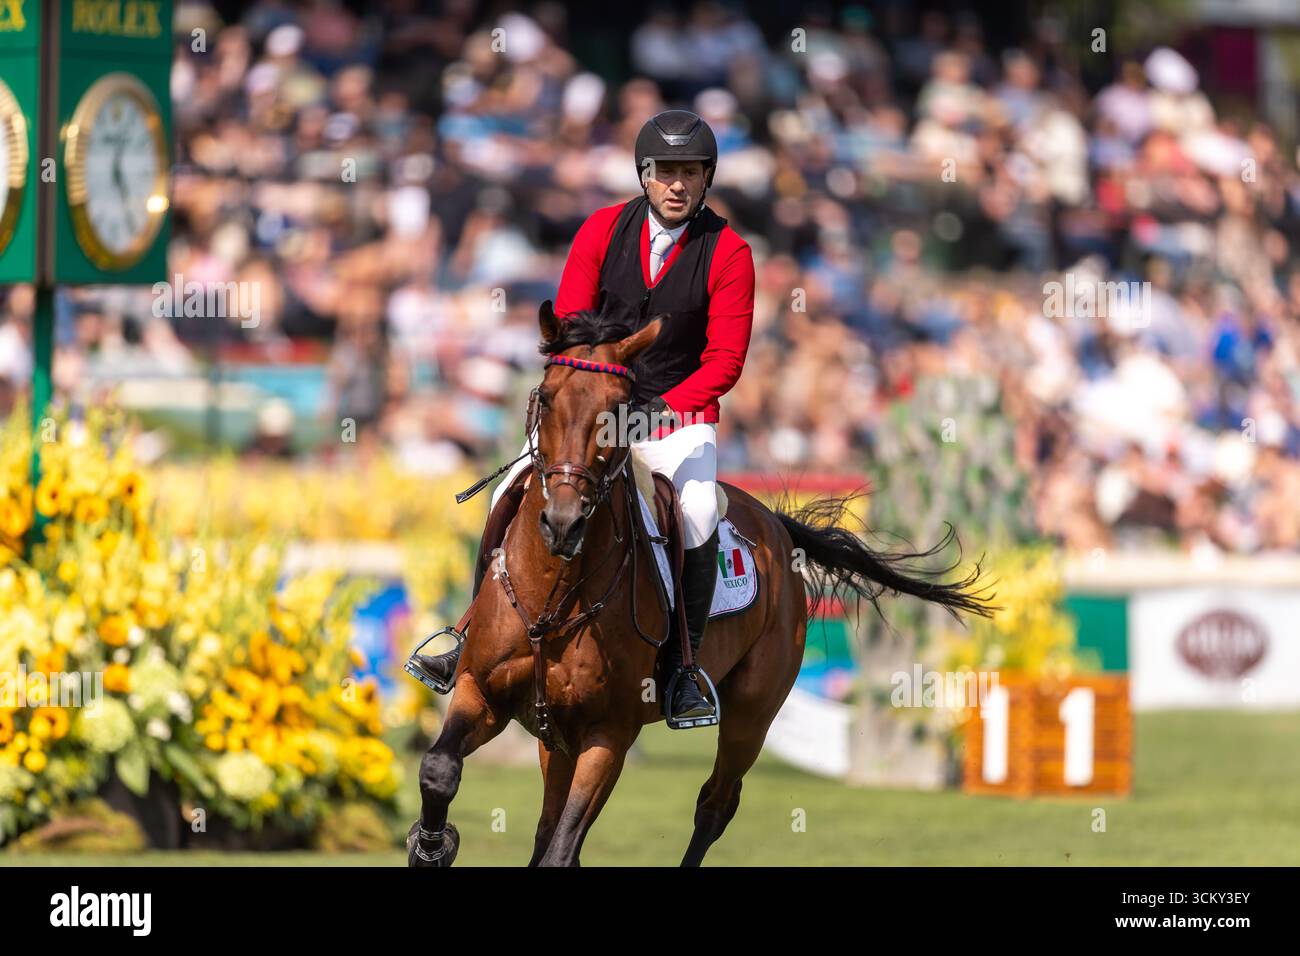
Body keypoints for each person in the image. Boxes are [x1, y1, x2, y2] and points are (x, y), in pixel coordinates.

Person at [409, 109, 755, 726]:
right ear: (645, 175)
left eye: (691, 173)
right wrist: (596, 400)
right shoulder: (600, 229)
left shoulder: (728, 253)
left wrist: (657, 412)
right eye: (667, 172)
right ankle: (468, 637)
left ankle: (683, 669)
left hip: (677, 417)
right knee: (508, 496)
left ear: (706, 179)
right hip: (591, 410)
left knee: (699, 512)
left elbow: (725, 361)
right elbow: (569, 325)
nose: (678, 185)